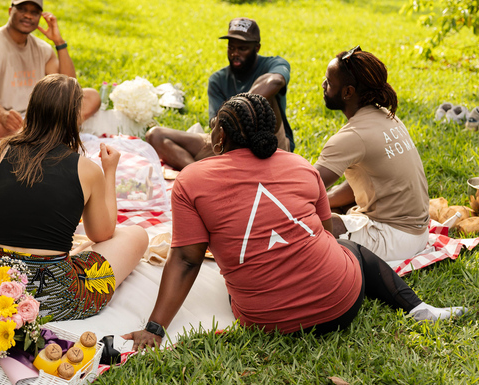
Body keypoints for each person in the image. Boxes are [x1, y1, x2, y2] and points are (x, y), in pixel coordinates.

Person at [125, 93, 463, 350]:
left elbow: (186, 259)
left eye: (214, 126)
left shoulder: (191, 180)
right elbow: (327, 235)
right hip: (341, 304)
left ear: (221, 138)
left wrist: (155, 329)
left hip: (264, 321)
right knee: (352, 250)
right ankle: (418, 308)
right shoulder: (301, 166)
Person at [0, 74, 148, 321]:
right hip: (53, 298)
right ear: (74, 116)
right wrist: (109, 171)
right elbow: (101, 234)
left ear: (32, 108)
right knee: (137, 234)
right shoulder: (85, 169)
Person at [314, 47, 430, 261]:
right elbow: (368, 182)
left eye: (329, 82)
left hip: (396, 240)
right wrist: (328, 200)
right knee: (330, 206)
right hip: (418, 233)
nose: (323, 85)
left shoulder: (352, 136)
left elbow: (303, 189)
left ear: (348, 92)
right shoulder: (386, 116)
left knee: (309, 222)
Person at [146, 18, 293, 170]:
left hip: (267, 143)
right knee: (155, 135)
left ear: (257, 48)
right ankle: (198, 174)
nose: (235, 53)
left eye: (242, 49)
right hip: (230, 143)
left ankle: (220, 170)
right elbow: (215, 123)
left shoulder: (272, 64)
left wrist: (239, 108)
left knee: (266, 94)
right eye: (231, 48)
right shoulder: (218, 79)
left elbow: (275, 80)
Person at [0, 0, 101, 139]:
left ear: (40, 17)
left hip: (32, 117)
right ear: (10, 11)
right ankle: (53, 134)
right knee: (0, 128)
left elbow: (69, 90)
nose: (28, 15)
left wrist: (59, 42)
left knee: (91, 97)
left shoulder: (43, 48)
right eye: (22, 9)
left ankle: (42, 134)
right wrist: (2, 115)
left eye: (34, 12)